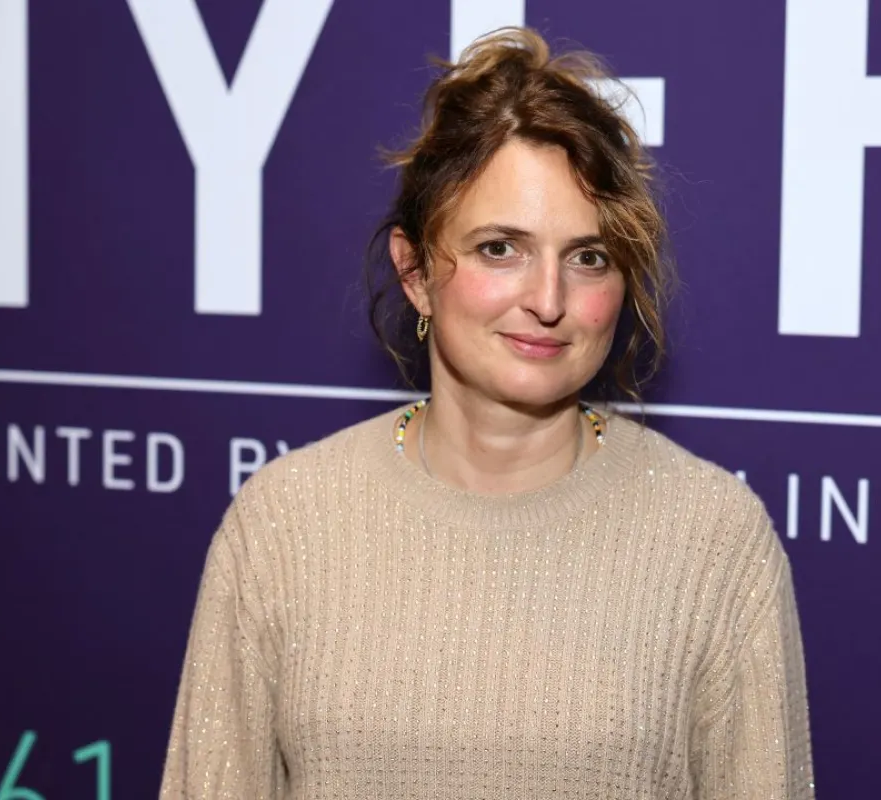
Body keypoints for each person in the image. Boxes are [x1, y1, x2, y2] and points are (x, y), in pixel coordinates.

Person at [159, 26, 814, 799]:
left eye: (588, 257)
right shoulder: (284, 524)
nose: (547, 300)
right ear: (415, 273)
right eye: (501, 248)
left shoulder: (713, 540)